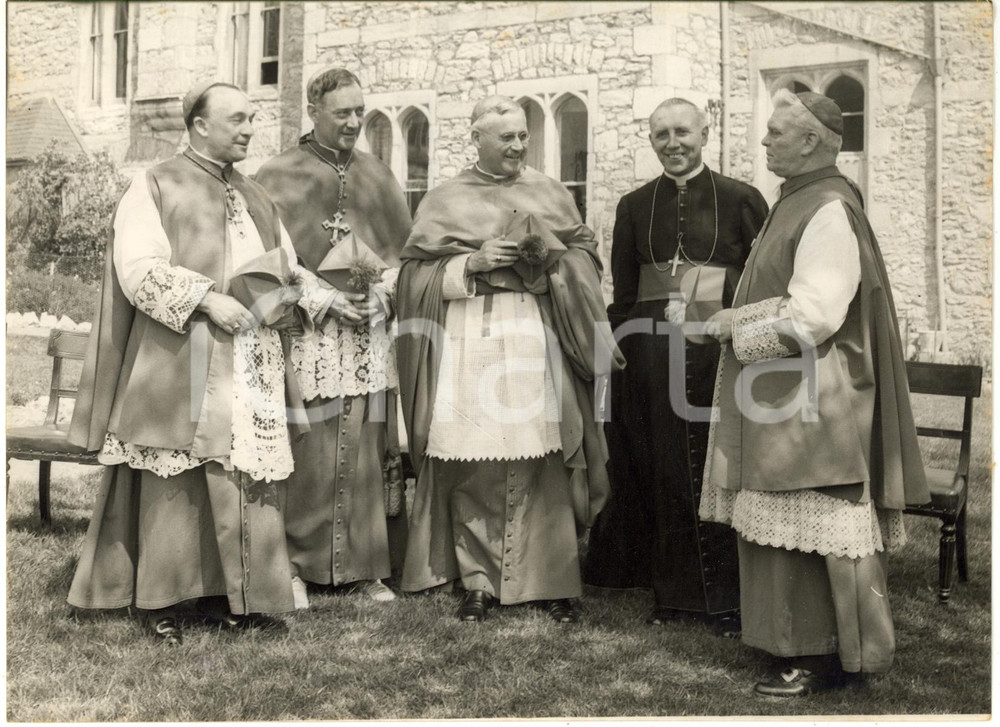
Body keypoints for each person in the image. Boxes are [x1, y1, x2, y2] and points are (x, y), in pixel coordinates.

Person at [66, 81, 323, 645]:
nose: (249, 128)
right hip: (181, 351)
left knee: (242, 474)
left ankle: (237, 597)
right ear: (199, 124)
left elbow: (287, 263)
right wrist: (209, 298)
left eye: (252, 118)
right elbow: (137, 267)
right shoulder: (155, 183)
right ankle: (161, 597)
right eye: (237, 119)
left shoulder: (256, 193)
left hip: (249, 354)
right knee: (175, 473)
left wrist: (314, 294)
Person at [699, 90, 928, 695]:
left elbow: (817, 315)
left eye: (776, 133)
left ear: (811, 142)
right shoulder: (797, 199)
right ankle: (801, 647)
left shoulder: (826, 207)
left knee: (818, 523)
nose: (765, 142)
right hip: (789, 391)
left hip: (815, 394)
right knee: (790, 524)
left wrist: (735, 324)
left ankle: (826, 657)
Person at [396, 96, 624, 623]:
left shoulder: (548, 191)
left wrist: (551, 260)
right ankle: (477, 580)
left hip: (534, 330)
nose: (519, 146)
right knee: (476, 458)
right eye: (507, 138)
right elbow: (412, 277)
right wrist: (468, 263)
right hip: (472, 334)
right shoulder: (445, 197)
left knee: (543, 455)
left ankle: (551, 578)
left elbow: (586, 254)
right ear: (475, 140)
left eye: (523, 136)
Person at [583, 98, 767, 635]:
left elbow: (761, 279)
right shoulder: (634, 204)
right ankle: (671, 589)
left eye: (682, 131)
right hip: (649, 355)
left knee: (718, 464)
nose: (673, 142)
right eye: (660, 133)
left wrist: (706, 293)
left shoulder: (740, 198)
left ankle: (728, 590)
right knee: (662, 467)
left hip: (720, 353)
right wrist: (611, 359)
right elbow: (620, 289)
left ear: (705, 132)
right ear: (650, 139)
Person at [255, 68, 412, 606]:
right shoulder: (277, 174)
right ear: (314, 111)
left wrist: (381, 295)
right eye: (341, 112)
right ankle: (295, 566)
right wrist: (323, 299)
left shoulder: (379, 174)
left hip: (366, 332)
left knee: (366, 446)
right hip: (310, 330)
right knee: (310, 448)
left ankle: (364, 566)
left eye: (358, 111)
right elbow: (271, 259)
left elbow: (403, 257)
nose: (352, 121)